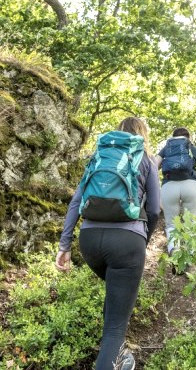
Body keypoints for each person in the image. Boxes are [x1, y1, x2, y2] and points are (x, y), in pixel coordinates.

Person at [55, 117, 160, 370]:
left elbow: (75, 202)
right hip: (127, 242)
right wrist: (142, 241)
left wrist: (64, 245)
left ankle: (118, 354)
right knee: (116, 326)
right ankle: (113, 355)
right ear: (141, 135)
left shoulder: (99, 156)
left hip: (89, 240)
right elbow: (155, 209)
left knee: (116, 299)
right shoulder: (145, 159)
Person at [156, 127, 196, 255]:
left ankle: (175, 253)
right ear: (188, 138)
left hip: (169, 187)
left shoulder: (166, 149)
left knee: (172, 225)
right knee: (191, 224)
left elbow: (153, 167)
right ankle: (190, 262)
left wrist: (158, 190)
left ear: (173, 138)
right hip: (191, 186)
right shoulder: (192, 148)